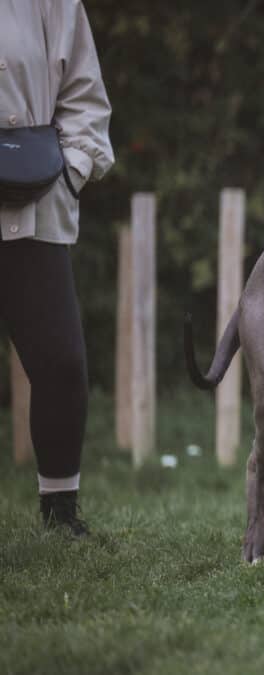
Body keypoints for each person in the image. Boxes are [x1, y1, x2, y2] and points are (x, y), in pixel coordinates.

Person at [0, 1, 114, 535]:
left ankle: (60, 513)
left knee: (62, 363)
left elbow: (84, 95)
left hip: (33, 204)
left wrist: (70, 171)